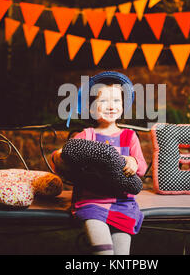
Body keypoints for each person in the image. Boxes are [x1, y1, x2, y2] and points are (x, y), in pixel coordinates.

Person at [52, 71, 147, 255]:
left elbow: (142, 168)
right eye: (103, 101)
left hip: (123, 204)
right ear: (93, 109)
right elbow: (67, 155)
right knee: (103, 251)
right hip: (92, 202)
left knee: (121, 254)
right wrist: (59, 155)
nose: (111, 106)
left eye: (116, 101)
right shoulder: (88, 135)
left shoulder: (129, 136)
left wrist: (134, 162)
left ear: (123, 106)